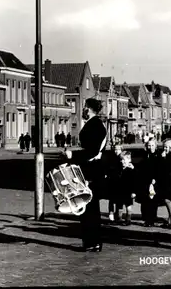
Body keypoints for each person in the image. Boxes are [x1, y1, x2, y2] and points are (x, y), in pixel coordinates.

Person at [64, 98, 107, 252]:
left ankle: (92, 241)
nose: (82, 109)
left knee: (89, 206)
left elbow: (91, 151)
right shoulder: (96, 124)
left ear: (88, 109)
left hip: (90, 172)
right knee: (89, 207)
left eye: (84, 107)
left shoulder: (94, 126)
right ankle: (92, 241)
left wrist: (72, 156)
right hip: (92, 170)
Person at [106, 147, 136, 226]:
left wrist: (133, 191)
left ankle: (128, 219)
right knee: (119, 205)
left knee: (128, 206)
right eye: (121, 160)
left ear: (129, 160)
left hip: (128, 191)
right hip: (120, 190)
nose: (122, 161)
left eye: (124, 160)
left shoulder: (130, 170)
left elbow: (133, 182)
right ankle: (119, 218)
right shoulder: (119, 169)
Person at [137, 138, 162, 227]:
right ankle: (146, 218)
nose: (151, 147)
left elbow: (159, 169)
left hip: (154, 182)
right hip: (144, 181)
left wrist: (155, 179)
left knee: (152, 201)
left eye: (152, 145)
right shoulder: (145, 155)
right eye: (149, 145)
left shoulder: (158, 156)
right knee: (145, 201)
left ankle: (150, 220)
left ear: (155, 146)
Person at [158, 138, 171, 229]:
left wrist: (163, 158)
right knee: (170, 201)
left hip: (169, 182)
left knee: (167, 201)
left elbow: (166, 168)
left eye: (166, 147)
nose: (164, 149)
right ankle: (170, 220)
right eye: (164, 147)